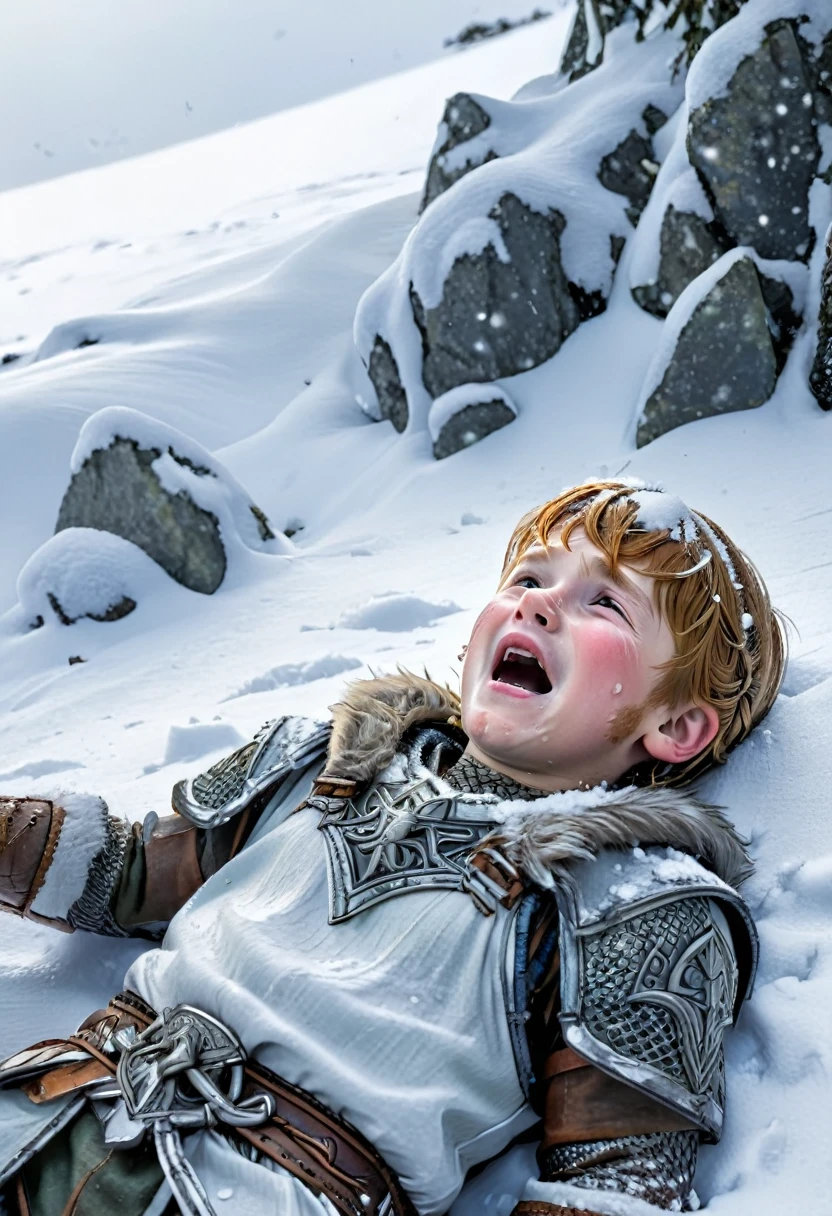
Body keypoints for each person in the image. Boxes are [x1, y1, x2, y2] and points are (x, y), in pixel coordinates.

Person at [0, 479, 785, 1216]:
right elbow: (127, 873)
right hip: (46, 1114)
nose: (538, 604)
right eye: (526, 578)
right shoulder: (322, 764)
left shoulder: (633, 905)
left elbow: (616, 1189)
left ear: (676, 726)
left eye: (604, 602)